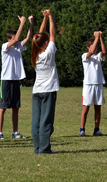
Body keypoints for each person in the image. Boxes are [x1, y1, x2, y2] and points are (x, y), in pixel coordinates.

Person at [0, 15, 33, 140]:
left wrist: (30, 23)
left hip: (15, 80)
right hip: (6, 80)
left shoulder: (18, 46)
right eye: (14, 37)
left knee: (15, 107)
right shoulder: (5, 47)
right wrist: (22, 23)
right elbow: (18, 37)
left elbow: (28, 38)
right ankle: (0, 132)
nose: (17, 39)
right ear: (9, 39)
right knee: (2, 108)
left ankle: (15, 132)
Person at [31, 10, 59, 154]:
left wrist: (44, 18)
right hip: (48, 91)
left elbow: (39, 36)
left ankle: (37, 149)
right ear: (46, 43)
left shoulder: (35, 53)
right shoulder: (49, 53)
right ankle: (45, 149)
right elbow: (52, 34)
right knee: (46, 122)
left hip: (37, 91)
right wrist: (51, 18)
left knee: (36, 121)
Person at [80, 31, 106, 136]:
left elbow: (104, 51)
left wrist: (100, 38)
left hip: (98, 84)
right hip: (88, 85)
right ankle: (82, 129)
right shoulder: (85, 56)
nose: (94, 48)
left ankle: (96, 129)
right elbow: (90, 52)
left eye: (96, 46)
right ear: (88, 47)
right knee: (86, 108)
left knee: (98, 108)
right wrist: (96, 38)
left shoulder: (98, 57)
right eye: (92, 46)